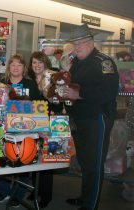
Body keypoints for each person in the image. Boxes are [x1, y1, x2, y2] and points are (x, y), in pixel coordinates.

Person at [64, 24, 119, 210]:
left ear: (90, 42)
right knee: (85, 162)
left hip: (97, 119)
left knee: (94, 164)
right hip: (80, 119)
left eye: (80, 43)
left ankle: (91, 205)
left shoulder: (104, 62)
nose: (77, 46)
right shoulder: (77, 62)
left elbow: (108, 93)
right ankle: (85, 196)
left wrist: (79, 94)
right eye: (75, 43)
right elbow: (71, 85)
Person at [0, 54, 41, 208]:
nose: (15, 68)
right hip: (4, 126)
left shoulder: (30, 84)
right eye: (12, 65)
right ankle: (3, 191)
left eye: (19, 65)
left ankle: (18, 194)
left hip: (24, 127)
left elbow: (37, 106)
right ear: (8, 67)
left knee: (23, 158)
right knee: (4, 157)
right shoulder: (2, 83)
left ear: (24, 68)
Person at [27, 51, 62, 208]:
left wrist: (47, 95)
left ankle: (46, 195)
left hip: (50, 122)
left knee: (48, 160)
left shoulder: (54, 80)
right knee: (33, 156)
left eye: (40, 62)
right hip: (33, 122)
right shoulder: (30, 80)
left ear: (46, 64)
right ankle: (35, 190)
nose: (37, 65)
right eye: (34, 62)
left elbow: (58, 104)